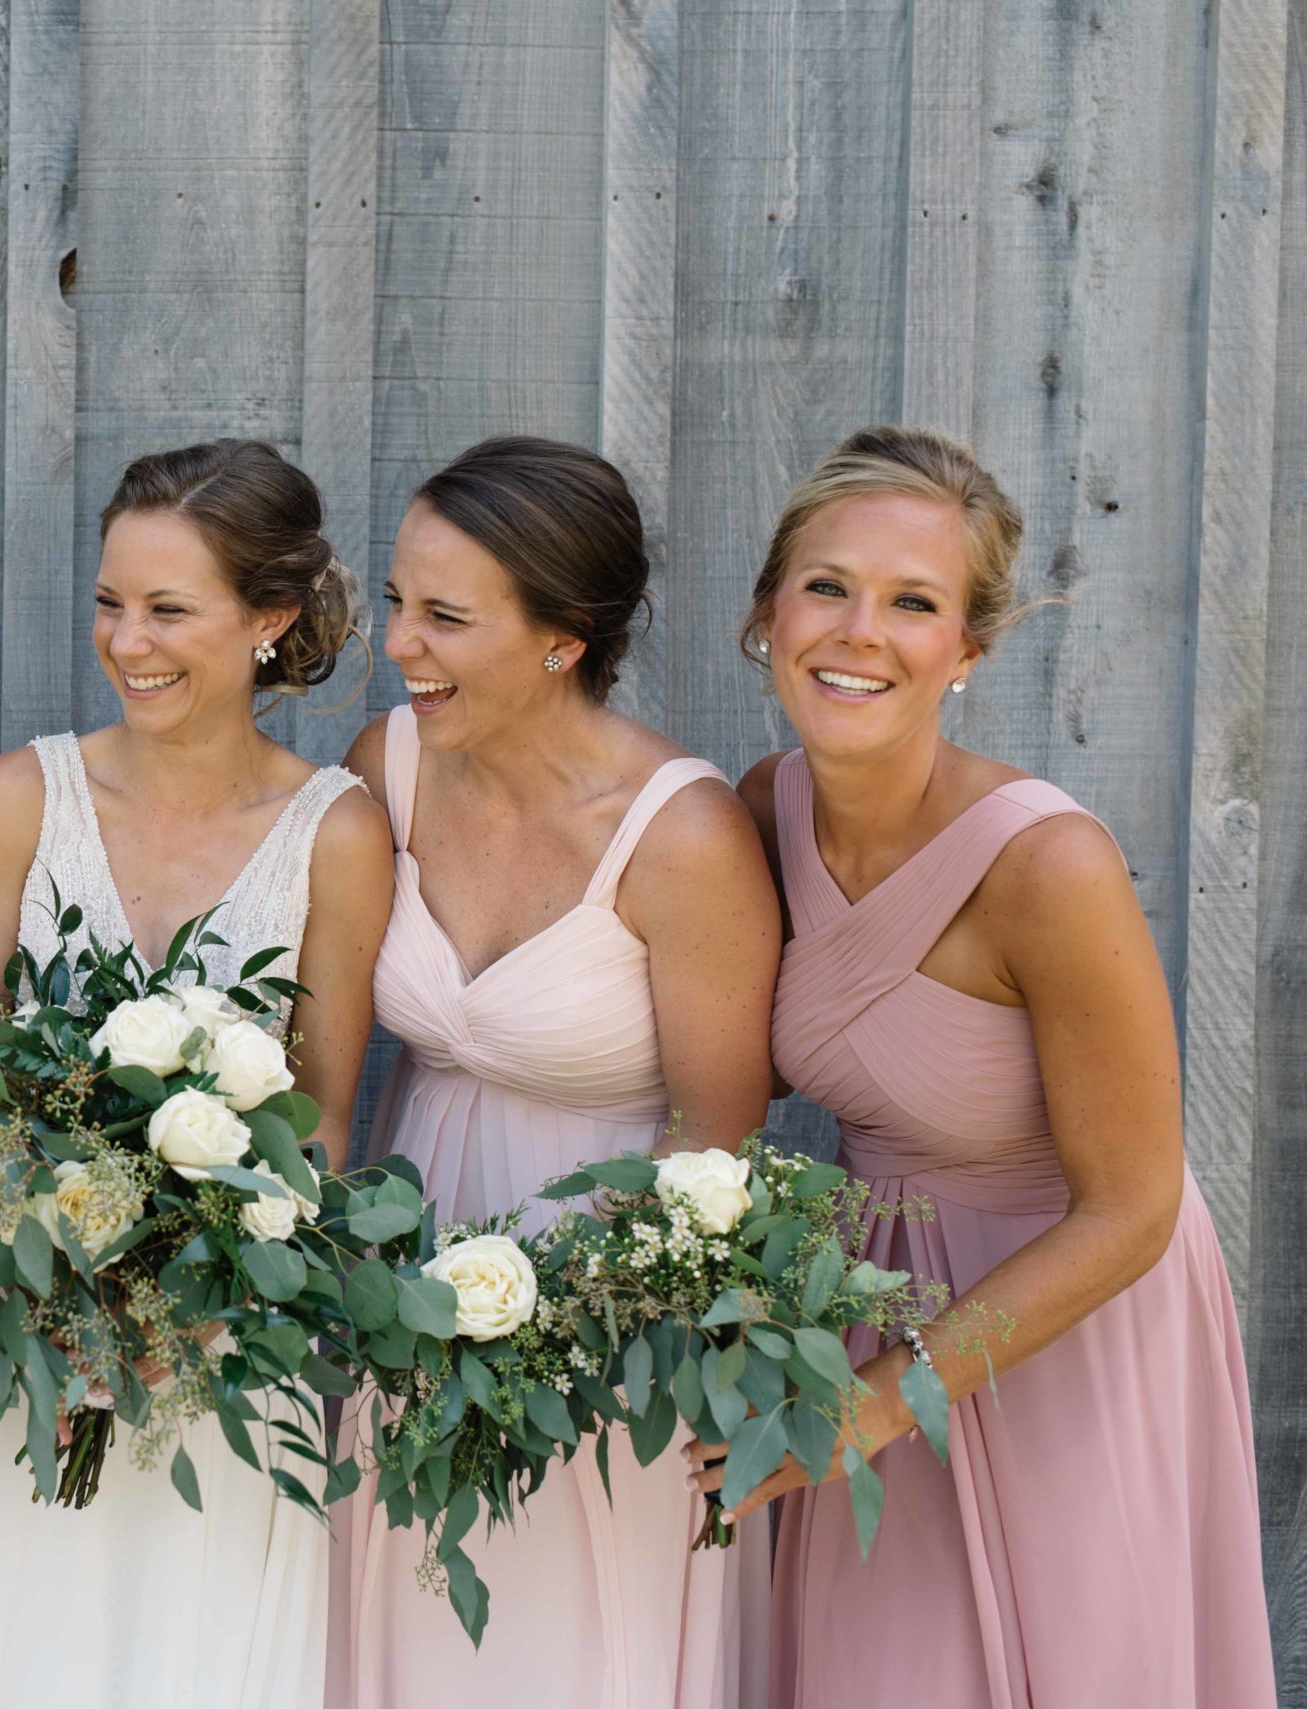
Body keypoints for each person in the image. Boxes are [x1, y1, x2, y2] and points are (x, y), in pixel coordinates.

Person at [692, 425, 1274, 1708]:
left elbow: (1134, 1206)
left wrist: (882, 1404)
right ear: (767, 610)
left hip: (1067, 1321)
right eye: (828, 586)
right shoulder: (759, 808)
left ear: (967, 648)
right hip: (871, 1301)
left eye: (913, 603)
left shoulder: (1044, 865)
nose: (858, 632)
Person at [0, 439, 391, 1709]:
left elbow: (320, 1119)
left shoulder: (339, 827)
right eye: (111, 601)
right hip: (16, 1329)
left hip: (221, 1351)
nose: (128, 639)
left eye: (168, 608)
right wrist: (55, 1301)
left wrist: (183, 1313)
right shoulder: (18, 796)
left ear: (270, 618)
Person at [328, 437, 779, 1709]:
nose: (399, 643)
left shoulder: (680, 836)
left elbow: (716, 1156)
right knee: (405, 1631)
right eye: (401, 602)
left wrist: (572, 1337)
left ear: (561, 639)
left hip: (609, 1320)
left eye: (444, 617)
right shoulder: (388, 768)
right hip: (409, 1289)